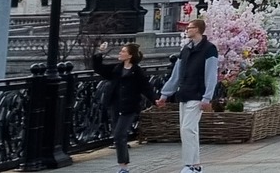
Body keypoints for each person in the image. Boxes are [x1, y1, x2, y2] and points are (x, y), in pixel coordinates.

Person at [156, 18, 220, 173]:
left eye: (190, 27)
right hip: (185, 93)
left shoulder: (209, 49)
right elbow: (176, 74)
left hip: (197, 94)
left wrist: (207, 97)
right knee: (190, 130)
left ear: (197, 29)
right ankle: (196, 165)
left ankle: (189, 164)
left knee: (187, 129)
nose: (187, 30)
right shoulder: (186, 49)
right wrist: (165, 94)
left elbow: (211, 74)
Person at [89, 42, 157, 173]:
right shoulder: (116, 69)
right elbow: (99, 68)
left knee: (119, 135)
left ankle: (123, 167)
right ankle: (123, 166)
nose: (120, 53)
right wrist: (99, 53)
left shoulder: (137, 72)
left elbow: (146, 88)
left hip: (130, 107)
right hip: (115, 105)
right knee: (118, 135)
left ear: (130, 55)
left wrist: (155, 99)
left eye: (123, 51)